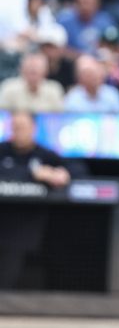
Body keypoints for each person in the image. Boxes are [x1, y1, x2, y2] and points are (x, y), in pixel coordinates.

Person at [0, 111, 71, 289]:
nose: (18, 132)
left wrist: (62, 174)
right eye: (15, 128)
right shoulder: (3, 150)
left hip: (26, 225)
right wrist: (32, 174)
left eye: (23, 128)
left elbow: (77, 169)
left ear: (33, 129)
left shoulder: (45, 154)